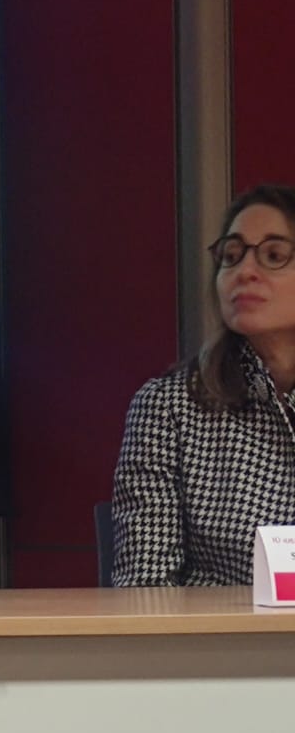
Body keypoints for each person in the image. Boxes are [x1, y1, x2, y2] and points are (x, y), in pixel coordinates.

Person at [111, 184, 295, 586]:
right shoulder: (169, 407)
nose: (244, 272)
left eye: (274, 256)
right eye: (231, 256)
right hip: (217, 627)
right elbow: (145, 588)